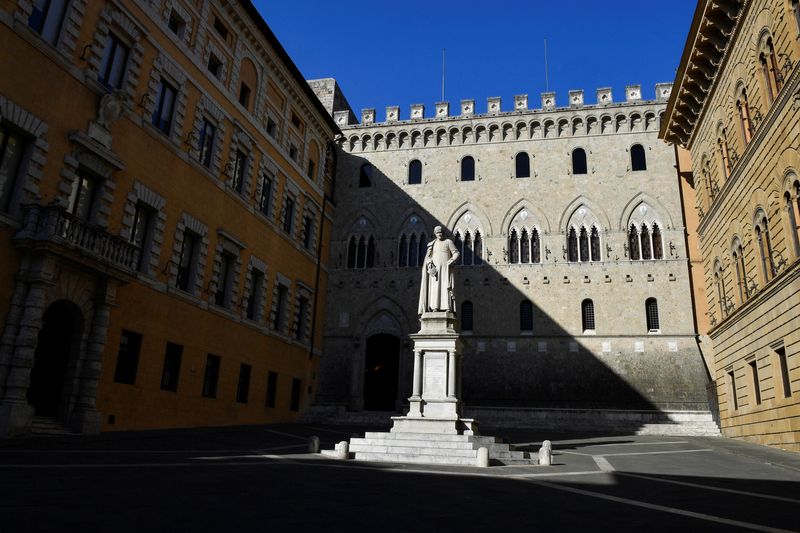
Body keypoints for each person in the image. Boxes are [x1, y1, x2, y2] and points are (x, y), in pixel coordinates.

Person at [418, 226, 460, 315]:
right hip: (435, 271)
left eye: (440, 232)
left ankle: (447, 307)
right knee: (435, 288)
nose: (439, 234)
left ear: (443, 233)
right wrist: (429, 264)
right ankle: (435, 307)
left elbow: (456, 252)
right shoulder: (432, 244)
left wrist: (451, 261)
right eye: (437, 233)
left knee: (446, 287)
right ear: (435, 234)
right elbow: (428, 257)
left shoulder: (448, 242)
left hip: (445, 269)